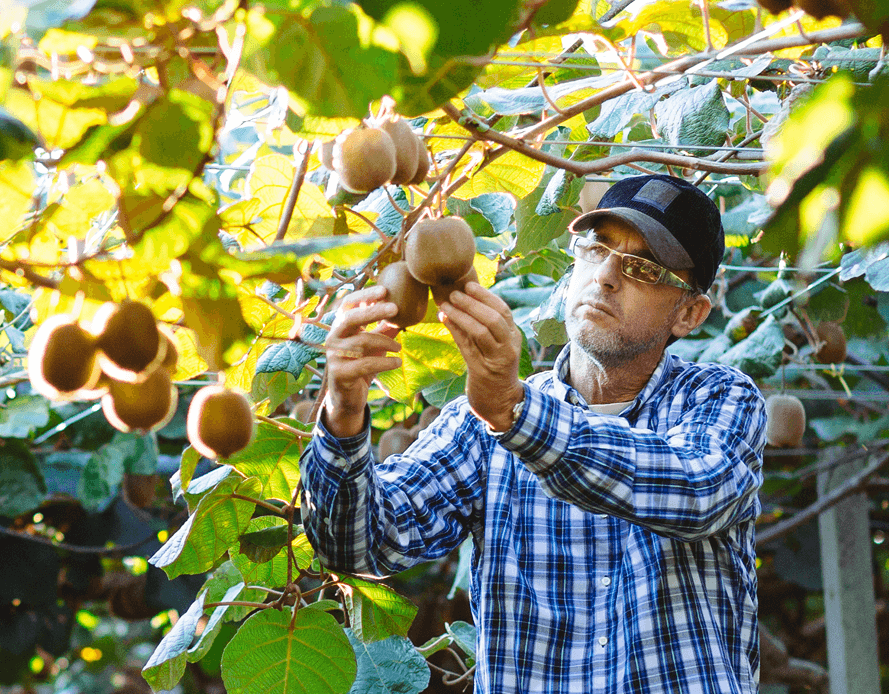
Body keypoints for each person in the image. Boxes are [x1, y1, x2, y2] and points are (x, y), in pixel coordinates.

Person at [299, 174, 766, 693]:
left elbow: (696, 491)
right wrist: (343, 411)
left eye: (640, 268)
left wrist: (514, 411)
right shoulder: (476, 428)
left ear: (689, 312)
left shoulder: (719, 398)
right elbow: (358, 548)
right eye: (595, 248)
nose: (606, 277)